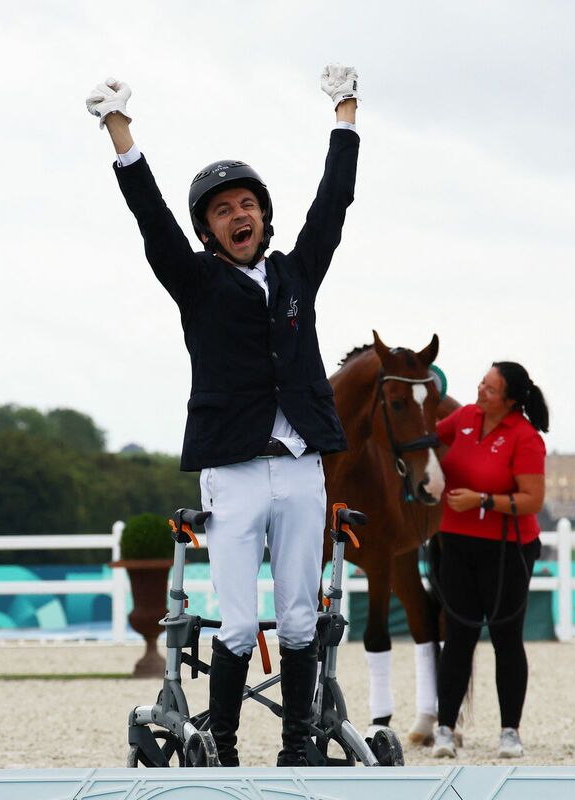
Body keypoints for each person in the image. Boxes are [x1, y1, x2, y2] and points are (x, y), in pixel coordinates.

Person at [85, 65, 360, 767]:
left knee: (301, 616)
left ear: (264, 215)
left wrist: (344, 115)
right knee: (237, 621)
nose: (238, 215)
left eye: (247, 204)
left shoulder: (297, 273)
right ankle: (226, 749)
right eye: (221, 210)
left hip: (301, 467)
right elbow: (150, 216)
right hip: (233, 471)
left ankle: (298, 747)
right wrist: (121, 132)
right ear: (207, 231)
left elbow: (334, 204)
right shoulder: (196, 282)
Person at [430, 361, 549, 759]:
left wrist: (482, 500)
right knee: (458, 637)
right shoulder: (464, 417)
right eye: (482, 383)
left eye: (491, 389)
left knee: (506, 637)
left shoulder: (525, 437)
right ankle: (445, 728)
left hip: (507, 547)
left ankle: (509, 732)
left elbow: (533, 500)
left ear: (511, 401)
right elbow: (424, 439)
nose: (481, 391)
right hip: (456, 543)